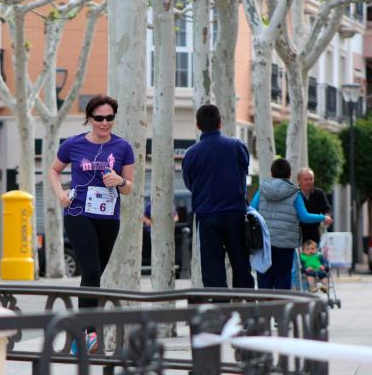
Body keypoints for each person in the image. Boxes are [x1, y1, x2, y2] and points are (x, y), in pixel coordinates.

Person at [48, 95, 134, 354]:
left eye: (109, 118)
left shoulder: (123, 147)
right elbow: (54, 170)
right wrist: (60, 193)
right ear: (90, 119)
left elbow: (129, 188)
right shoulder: (72, 144)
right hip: (78, 213)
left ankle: (80, 336)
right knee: (92, 270)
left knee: (93, 276)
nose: (105, 123)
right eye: (99, 118)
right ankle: (90, 331)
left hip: (109, 217)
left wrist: (119, 181)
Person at [181, 104, 254, 288]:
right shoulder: (237, 146)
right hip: (235, 214)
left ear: (198, 125)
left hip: (207, 216)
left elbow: (190, 184)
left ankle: (220, 310)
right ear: (220, 123)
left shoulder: (191, 153)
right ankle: (244, 308)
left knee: (212, 269)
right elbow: (244, 171)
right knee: (241, 264)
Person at [250, 158, 332, 290]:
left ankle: (265, 309)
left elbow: (252, 211)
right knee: (282, 279)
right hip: (285, 244)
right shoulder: (295, 193)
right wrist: (323, 217)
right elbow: (304, 217)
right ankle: (281, 309)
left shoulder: (262, 190)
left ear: (271, 173)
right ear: (289, 175)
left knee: (264, 280)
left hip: (264, 244)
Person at [297, 167, 332, 243]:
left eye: (311, 179)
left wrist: (327, 215)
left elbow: (326, 208)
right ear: (299, 180)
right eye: (306, 179)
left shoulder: (319, 193)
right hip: (297, 235)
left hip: (314, 234)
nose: (309, 182)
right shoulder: (295, 194)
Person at [142, 201, 178, 266]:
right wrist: (148, 222)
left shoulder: (170, 204)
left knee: (165, 251)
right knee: (153, 251)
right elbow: (144, 216)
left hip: (166, 233)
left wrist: (172, 221)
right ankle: (154, 265)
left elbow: (175, 216)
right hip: (152, 232)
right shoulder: (150, 205)